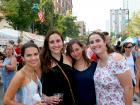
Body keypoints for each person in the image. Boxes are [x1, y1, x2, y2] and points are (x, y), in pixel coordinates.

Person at [88, 31, 133, 105]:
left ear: (104, 42)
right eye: (91, 42)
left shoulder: (116, 58)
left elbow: (128, 87)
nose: (95, 44)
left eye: (98, 41)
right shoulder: (98, 61)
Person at [40, 30, 75, 105]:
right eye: (52, 42)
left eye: (58, 41)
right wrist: (46, 98)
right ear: (47, 45)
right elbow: (33, 87)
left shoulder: (69, 58)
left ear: (62, 42)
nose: (55, 44)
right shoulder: (42, 61)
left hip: (71, 101)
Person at [66, 39, 97, 105]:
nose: (75, 53)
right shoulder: (69, 69)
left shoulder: (94, 65)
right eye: (72, 51)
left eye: (77, 49)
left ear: (82, 48)